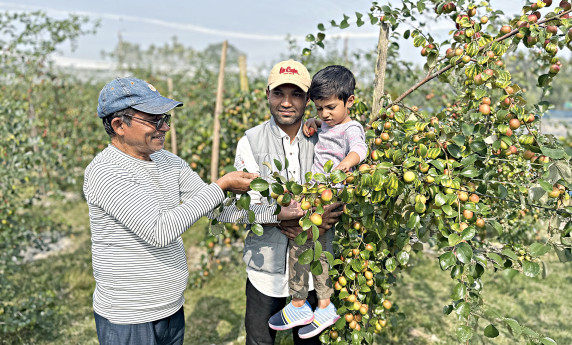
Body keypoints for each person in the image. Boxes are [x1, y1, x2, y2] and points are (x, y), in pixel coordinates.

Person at [84, 77, 301, 345]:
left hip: (170, 307)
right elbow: (159, 231)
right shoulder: (106, 172)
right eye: (154, 120)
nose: (164, 127)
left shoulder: (168, 161)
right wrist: (221, 186)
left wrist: (277, 214)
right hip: (130, 315)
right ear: (119, 125)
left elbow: (216, 208)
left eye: (165, 118)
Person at [234, 60, 343, 344]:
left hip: (313, 270)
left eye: (295, 94)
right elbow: (239, 208)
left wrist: (328, 216)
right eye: (278, 93)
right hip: (265, 269)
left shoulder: (327, 136)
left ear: (309, 99)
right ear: (266, 95)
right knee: (259, 340)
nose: (286, 102)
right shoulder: (251, 142)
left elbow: (348, 186)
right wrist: (278, 214)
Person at [267, 65, 367, 339]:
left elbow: (360, 148)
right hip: (314, 194)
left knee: (310, 248)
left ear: (350, 102)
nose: (325, 114)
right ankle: (318, 306)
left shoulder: (351, 129)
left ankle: (304, 303)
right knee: (310, 248)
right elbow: (322, 123)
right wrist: (314, 122)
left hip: (329, 196)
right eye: (319, 107)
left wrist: (345, 165)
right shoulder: (328, 123)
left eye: (331, 108)